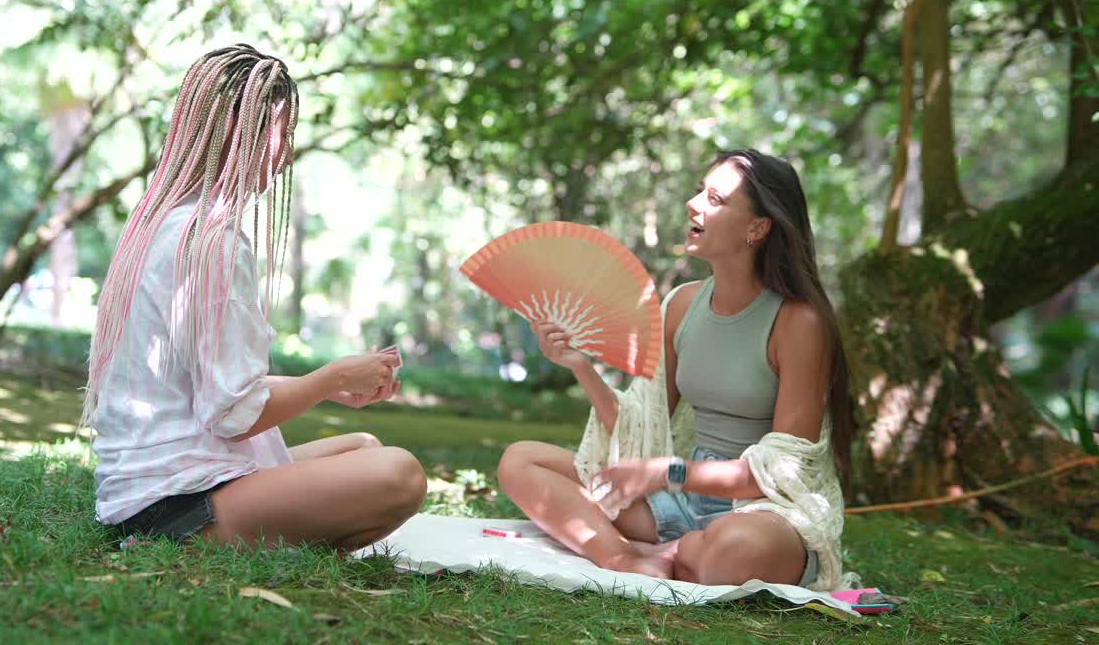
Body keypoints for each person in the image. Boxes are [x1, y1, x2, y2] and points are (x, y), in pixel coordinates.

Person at [80, 44, 426, 552]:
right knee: (400, 474)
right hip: (177, 505)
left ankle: (262, 537)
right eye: (281, 134)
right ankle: (201, 545)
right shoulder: (210, 241)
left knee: (364, 447)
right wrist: (329, 377)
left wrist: (330, 388)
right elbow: (233, 414)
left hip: (160, 488)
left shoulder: (163, 222)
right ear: (238, 132)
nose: (286, 154)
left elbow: (208, 384)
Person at [498, 149, 857, 591]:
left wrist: (669, 472)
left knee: (733, 550)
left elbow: (783, 471)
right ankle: (623, 555)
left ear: (757, 228)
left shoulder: (800, 322)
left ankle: (676, 552)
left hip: (760, 510)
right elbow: (639, 427)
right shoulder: (682, 305)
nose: (693, 203)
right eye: (698, 191)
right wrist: (580, 367)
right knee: (522, 461)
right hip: (678, 501)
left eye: (715, 198)